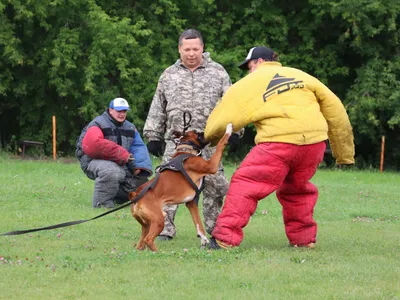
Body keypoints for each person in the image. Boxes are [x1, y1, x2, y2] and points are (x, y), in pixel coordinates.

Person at [204, 46, 355, 249]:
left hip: (278, 142)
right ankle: (303, 241)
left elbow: (225, 114)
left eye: (249, 66)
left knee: (246, 183)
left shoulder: (250, 82)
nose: (249, 71)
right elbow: (336, 111)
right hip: (313, 143)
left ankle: (225, 239)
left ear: (257, 62)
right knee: (297, 190)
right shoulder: (301, 76)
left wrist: (208, 138)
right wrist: (344, 153)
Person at [143, 29, 240, 240]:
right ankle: (164, 230)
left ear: (202, 48)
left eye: (195, 48)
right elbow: (158, 105)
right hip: (177, 144)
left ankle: (215, 229)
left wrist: (237, 130)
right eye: (186, 49)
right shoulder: (168, 75)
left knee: (214, 187)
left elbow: (232, 103)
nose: (191, 53)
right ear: (179, 49)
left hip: (209, 142)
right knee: (166, 186)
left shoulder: (218, 72)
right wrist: (153, 136)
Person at [76, 97, 153, 208]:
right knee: (112, 171)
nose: (122, 114)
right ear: (110, 110)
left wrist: (140, 167)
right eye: (119, 111)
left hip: (121, 162)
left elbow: (138, 147)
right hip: (93, 161)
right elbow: (93, 145)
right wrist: (121, 154)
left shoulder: (130, 127)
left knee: (142, 184)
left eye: (124, 111)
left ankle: (116, 197)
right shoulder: (97, 124)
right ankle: (102, 205)